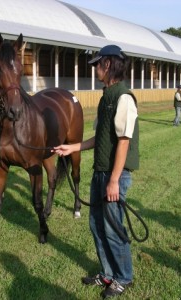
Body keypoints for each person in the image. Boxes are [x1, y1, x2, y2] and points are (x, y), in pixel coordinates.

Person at [53, 45, 139, 299]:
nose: (95, 69)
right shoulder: (107, 98)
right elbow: (100, 138)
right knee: (95, 224)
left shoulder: (124, 98)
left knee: (113, 228)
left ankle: (124, 277)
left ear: (109, 64)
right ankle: (108, 273)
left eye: (97, 64)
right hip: (101, 172)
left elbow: (124, 141)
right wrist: (72, 147)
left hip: (114, 175)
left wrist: (113, 180)